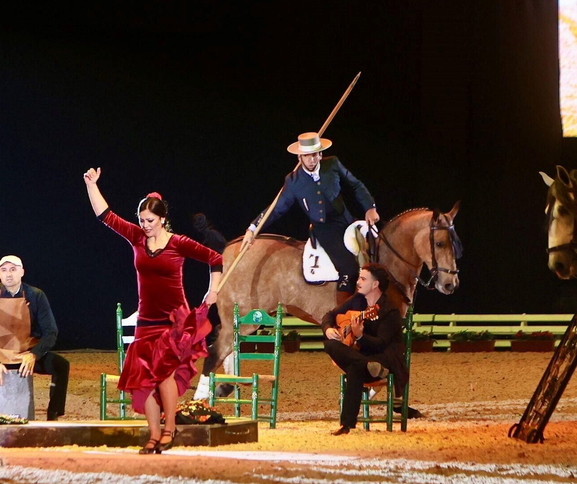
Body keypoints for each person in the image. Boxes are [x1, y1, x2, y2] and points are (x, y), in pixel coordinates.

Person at [85, 168, 222, 454]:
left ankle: (169, 430)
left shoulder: (178, 243)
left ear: (162, 219)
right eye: (141, 220)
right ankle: (153, 433)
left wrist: (214, 289)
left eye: (150, 220)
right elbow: (106, 216)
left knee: (164, 374)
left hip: (174, 321)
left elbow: (215, 258)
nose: (144, 225)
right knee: (140, 379)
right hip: (147, 320)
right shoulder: (136, 237)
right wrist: (92, 185)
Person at [241, 132, 379, 294]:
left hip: (346, 220)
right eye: (307, 156)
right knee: (349, 268)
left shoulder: (332, 164)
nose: (312, 159)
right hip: (325, 230)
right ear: (299, 158)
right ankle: (343, 314)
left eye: (314, 155)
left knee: (377, 248)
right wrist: (253, 228)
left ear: (320, 154)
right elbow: (276, 209)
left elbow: (356, 185)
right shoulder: (293, 181)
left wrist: (370, 207)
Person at [0, 255, 70, 421]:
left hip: (25, 353)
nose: (9, 274)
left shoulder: (36, 295)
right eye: (4, 270)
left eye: (13, 269)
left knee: (62, 366)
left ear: (22, 272)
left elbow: (50, 332)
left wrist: (34, 354)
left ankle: (53, 414)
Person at [323, 264, 406, 436]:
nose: (358, 282)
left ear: (375, 285)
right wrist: (328, 329)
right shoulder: (357, 299)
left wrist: (360, 336)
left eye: (363, 279)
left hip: (384, 361)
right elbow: (329, 315)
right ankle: (365, 364)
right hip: (366, 360)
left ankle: (346, 425)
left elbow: (381, 344)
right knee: (330, 344)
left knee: (355, 368)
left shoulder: (390, 310)